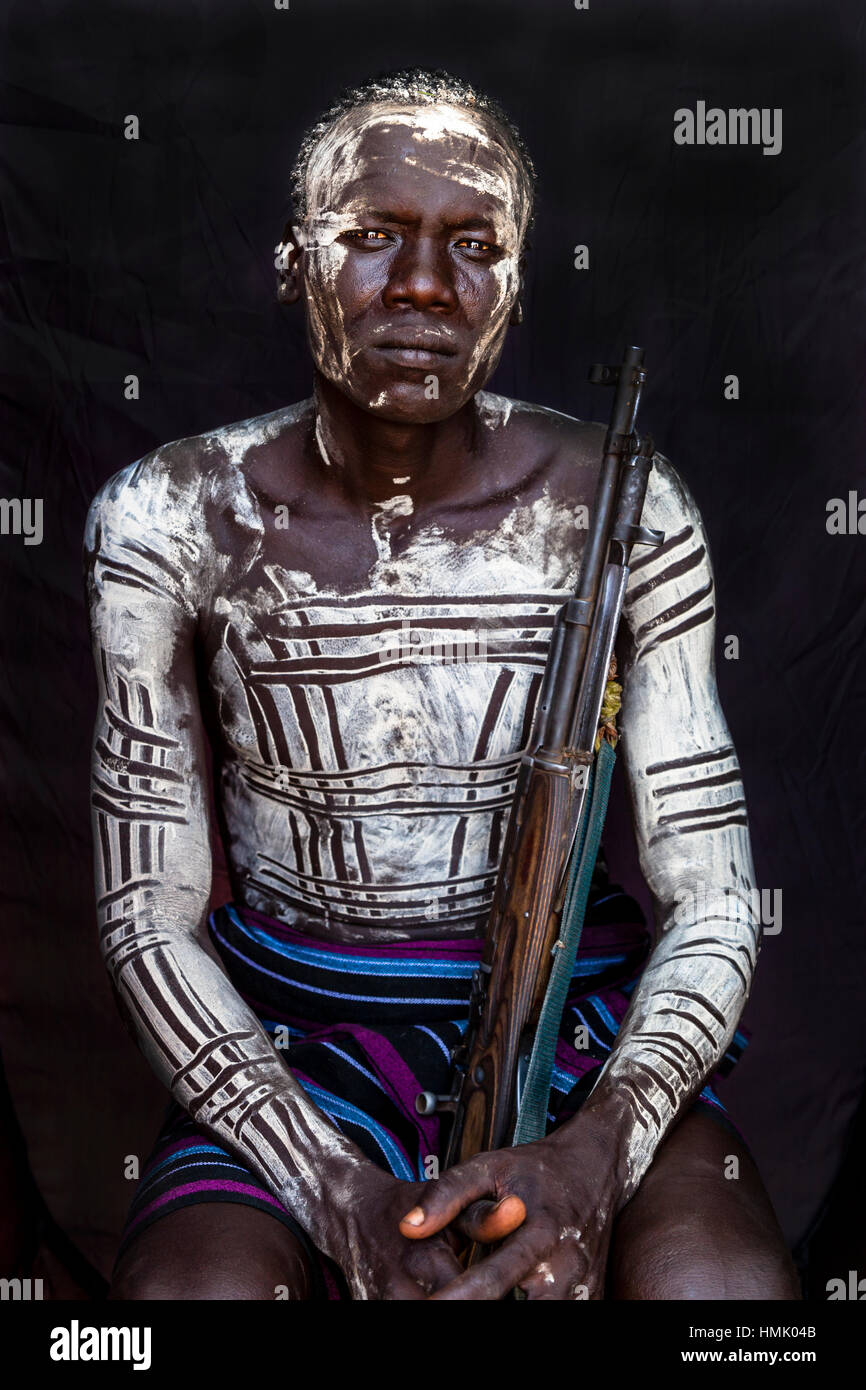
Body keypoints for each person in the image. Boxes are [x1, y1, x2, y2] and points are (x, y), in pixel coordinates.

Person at [84, 68, 799, 1300]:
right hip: (285, 1042)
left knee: (722, 1302)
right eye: (371, 237)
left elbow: (716, 897)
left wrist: (594, 1153)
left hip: (580, 1038)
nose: (421, 285)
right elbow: (147, 910)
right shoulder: (170, 516)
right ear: (292, 264)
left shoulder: (623, 507)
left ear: (512, 289)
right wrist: (328, 1185)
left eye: (471, 246)